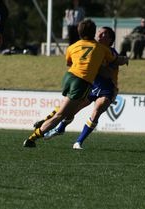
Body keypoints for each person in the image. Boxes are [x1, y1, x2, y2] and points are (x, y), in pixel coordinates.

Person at [23, 19, 127, 148]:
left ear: (111, 39)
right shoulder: (99, 49)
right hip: (87, 83)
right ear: (94, 33)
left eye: (103, 34)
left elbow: (71, 63)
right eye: (98, 32)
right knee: (66, 111)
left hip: (94, 85)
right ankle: (42, 132)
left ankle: (76, 140)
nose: (100, 35)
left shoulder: (81, 47)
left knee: (86, 109)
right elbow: (110, 65)